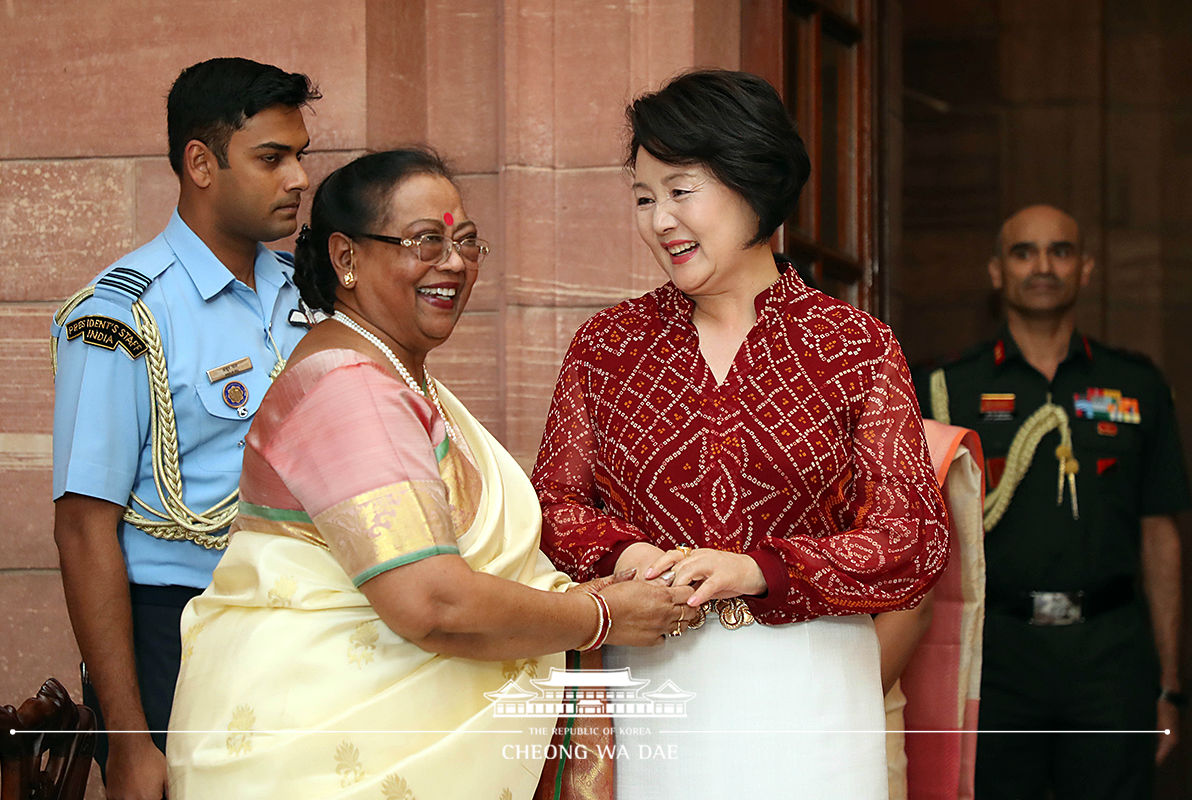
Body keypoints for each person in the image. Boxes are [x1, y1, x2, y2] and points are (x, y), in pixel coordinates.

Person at [165, 149, 690, 799]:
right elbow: (430, 602)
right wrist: (599, 615)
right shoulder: (348, 389)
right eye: (425, 240)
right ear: (347, 258)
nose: (453, 263)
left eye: (465, 241)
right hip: (325, 758)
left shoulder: (390, 374)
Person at [532, 69, 949, 798]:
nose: (659, 219)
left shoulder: (853, 344)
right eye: (643, 196)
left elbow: (911, 535)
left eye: (680, 189)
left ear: (752, 179)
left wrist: (760, 569)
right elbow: (550, 506)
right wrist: (627, 552)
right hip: (657, 687)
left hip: (814, 693)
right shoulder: (608, 346)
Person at [50, 57, 319, 799]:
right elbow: (83, 530)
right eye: (272, 158)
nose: (298, 178)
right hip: (179, 632)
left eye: (301, 155)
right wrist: (130, 741)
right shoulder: (120, 317)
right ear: (200, 163)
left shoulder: (310, 293)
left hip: (303, 623)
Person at [917, 204, 1189, 799]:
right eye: (1024, 252)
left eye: (1060, 251)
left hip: (1110, 657)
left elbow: (1159, 532)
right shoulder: (946, 389)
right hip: (997, 655)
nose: (1043, 265)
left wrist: (1169, 683)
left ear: (1086, 269)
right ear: (996, 271)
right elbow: (912, 538)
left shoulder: (1136, 385)